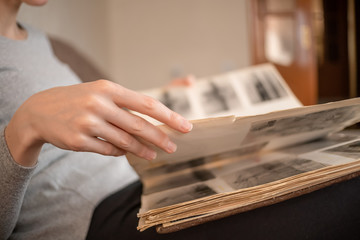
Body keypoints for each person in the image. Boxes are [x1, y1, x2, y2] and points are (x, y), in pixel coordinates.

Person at [2, 1, 360, 240]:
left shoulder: (37, 40)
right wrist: (25, 128)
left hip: (141, 184)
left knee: (327, 166)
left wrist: (160, 100)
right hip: (91, 222)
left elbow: (77, 123)